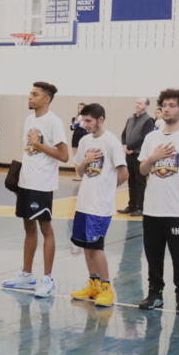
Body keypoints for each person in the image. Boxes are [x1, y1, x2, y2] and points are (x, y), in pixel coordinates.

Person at [137, 89, 179, 315]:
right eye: (164, 104)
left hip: (178, 209)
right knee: (153, 256)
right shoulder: (151, 138)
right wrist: (154, 157)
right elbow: (142, 169)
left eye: (172, 105)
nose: (166, 108)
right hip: (153, 209)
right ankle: (155, 295)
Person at [2, 82, 69, 297]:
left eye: (35, 94)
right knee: (28, 229)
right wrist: (19, 180)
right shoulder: (29, 120)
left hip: (42, 184)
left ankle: (48, 280)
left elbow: (64, 156)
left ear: (46, 99)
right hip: (26, 182)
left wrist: (38, 144)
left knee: (45, 229)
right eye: (30, 93)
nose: (30, 97)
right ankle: (27, 275)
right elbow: (29, 151)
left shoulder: (54, 122)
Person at [67, 104, 127, 307]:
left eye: (88, 121)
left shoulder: (111, 142)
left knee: (96, 246)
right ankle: (93, 284)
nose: (85, 124)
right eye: (83, 120)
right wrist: (86, 160)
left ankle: (106, 288)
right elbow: (80, 172)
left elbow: (124, 174)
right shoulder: (84, 141)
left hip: (100, 206)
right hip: (84, 202)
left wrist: (107, 190)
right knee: (85, 245)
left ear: (100, 119)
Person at [119, 97, 155, 217]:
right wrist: (125, 145)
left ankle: (141, 207)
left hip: (140, 155)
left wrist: (130, 146)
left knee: (140, 181)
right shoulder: (130, 119)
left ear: (147, 106)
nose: (138, 105)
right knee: (131, 180)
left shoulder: (149, 120)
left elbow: (145, 137)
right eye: (137, 103)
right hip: (129, 154)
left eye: (141, 103)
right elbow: (124, 134)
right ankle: (132, 205)